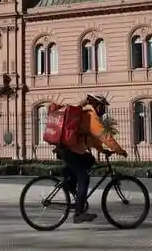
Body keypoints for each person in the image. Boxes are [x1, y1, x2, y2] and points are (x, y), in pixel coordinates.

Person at [56, 94, 127, 224]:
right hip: (71, 151)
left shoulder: (84, 114)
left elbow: (92, 139)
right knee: (84, 178)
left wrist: (102, 150)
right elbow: (104, 136)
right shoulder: (91, 116)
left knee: (90, 159)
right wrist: (119, 150)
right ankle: (78, 213)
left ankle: (68, 179)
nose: (104, 111)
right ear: (97, 105)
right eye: (103, 107)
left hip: (68, 150)